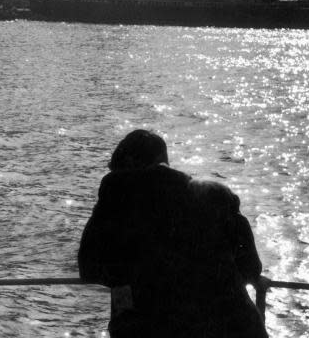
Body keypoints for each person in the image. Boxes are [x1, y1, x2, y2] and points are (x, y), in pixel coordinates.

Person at [78, 129, 267, 337]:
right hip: (238, 327)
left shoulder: (118, 194)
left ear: (127, 168)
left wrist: (129, 277)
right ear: (165, 161)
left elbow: (89, 267)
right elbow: (251, 268)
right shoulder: (217, 196)